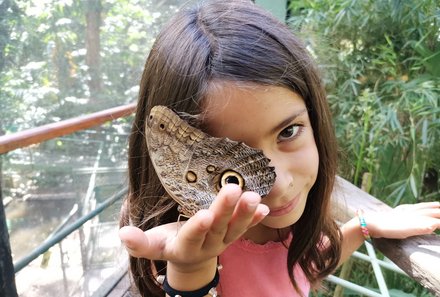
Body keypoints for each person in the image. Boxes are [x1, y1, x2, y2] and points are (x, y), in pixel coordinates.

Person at [118, 1, 440, 296]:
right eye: (233, 174)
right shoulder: (183, 246)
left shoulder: (288, 227)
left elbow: (304, 267)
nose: (279, 183)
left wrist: (365, 227)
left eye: (288, 132)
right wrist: (190, 271)